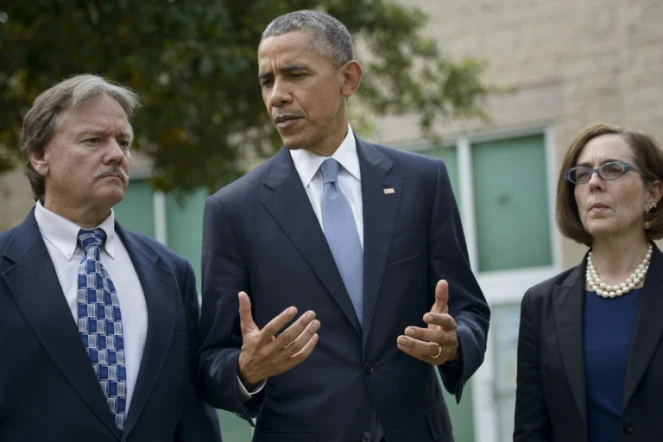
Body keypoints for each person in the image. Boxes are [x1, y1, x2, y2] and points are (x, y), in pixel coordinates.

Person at [198, 10, 490, 442]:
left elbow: (469, 311)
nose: (277, 96)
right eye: (267, 81)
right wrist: (246, 369)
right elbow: (211, 361)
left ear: (348, 79)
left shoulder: (421, 183)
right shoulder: (233, 210)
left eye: (295, 75)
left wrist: (455, 343)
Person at [0, 74, 222, 442]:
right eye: (93, 140)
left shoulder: (171, 272)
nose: (117, 154)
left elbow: (193, 418)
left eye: (124, 141)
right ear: (40, 156)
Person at [514, 123, 663, 442]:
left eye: (612, 169)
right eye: (582, 174)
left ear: (652, 193)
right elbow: (531, 430)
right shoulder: (541, 305)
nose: (594, 182)